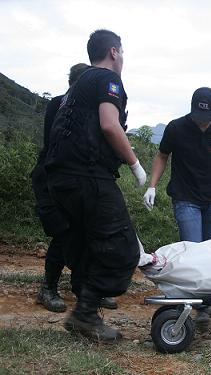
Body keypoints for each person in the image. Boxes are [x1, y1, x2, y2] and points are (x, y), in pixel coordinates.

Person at [45, 29, 146, 342]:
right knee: (122, 248)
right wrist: (135, 165)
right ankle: (86, 314)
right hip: (87, 175)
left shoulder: (78, 86)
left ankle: (85, 314)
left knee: (86, 243)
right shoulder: (107, 80)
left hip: (60, 179)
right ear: (114, 52)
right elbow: (108, 124)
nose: (123, 58)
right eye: (123, 52)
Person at [142, 87, 211, 328]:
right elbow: (162, 155)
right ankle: (196, 305)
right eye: (197, 115)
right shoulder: (176, 128)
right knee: (192, 251)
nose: (201, 121)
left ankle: (205, 301)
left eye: (205, 116)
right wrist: (152, 186)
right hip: (185, 198)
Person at [31, 63, 118, 313]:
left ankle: (87, 289)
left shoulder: (92, 109)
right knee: (63, 232)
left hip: (81, 178)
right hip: (54, 177)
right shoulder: (59, 104)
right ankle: (48, 288)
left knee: (89, 233)